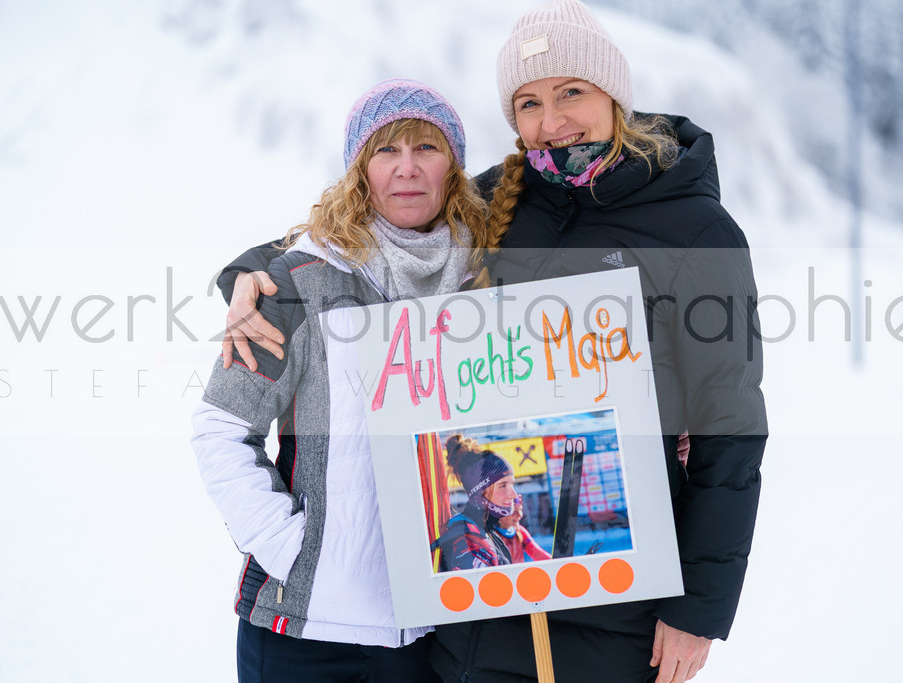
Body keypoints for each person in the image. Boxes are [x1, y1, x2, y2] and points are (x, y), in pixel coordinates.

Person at [217, 1, 767, 681]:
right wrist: (250, 272)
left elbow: (731, 431)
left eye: (572, 91)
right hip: (474, 604)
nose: (552, 119)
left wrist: (700, 610)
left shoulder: (696, 231)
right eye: (529, 102)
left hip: (615, 601)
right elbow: (362, 227)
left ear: (614, 95)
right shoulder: (498, 203)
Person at [191, 78, 488, 682]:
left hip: (426, 633)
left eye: (426, 149)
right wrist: (289, 548)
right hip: (303, 629)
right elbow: (220, 427)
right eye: (386, 151)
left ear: (454, 168)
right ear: (360, 170)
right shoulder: (301, 281)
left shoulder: (484, 282)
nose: (407, 169)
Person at [433, 435, 518, 571]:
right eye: (503, 485)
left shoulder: (484, 530)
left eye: (512, 484)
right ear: (479, 492)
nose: (513, 494)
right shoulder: (469, 539)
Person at [496, 496, 553, 564]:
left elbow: (537, 553)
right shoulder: (491, 536)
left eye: (520, 510)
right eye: (514, 512)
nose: (520, 515)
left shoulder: (519, 531)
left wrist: (557, 563)